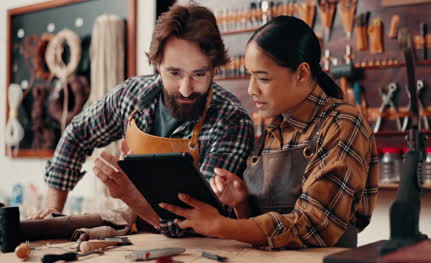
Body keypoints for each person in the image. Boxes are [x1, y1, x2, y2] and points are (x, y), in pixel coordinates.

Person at [159, 16, 379, 249]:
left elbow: (315, 226)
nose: (252, 89)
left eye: (263, 78)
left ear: (302, 73)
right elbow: (260, 233)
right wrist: (242, 202)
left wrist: (220, 226)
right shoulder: (274, 129)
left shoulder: (342, 123)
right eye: (250, 75)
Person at [33, 4, 255, 237]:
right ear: (157, 63)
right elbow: (76, 134)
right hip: (136, 235)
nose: (186, 89)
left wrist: (129, 194)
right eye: (175, 73)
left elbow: (196, 225)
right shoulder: (132, 97)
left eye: (199, 74)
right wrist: (53, 209)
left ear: (214, 68)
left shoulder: (232, 121)